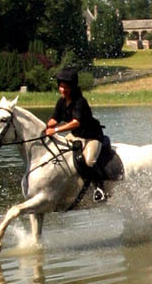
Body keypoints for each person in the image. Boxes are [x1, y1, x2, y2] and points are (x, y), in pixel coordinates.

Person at [44, 67, 109, 202]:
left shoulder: (80, 102)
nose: (62, 90)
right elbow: (54, 119)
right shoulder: (61, 101)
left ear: (72, 87)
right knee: (58, 152)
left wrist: (55, 130)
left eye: (65, 87)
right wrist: (44, 127)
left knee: (88, 160)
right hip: (76, 135)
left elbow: (76, 123)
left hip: (92, 136)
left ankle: (100, 189)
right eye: (61, 87)